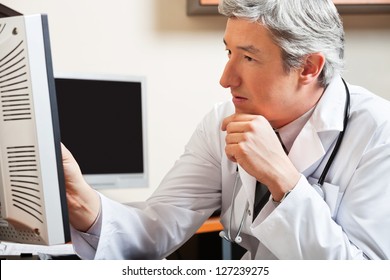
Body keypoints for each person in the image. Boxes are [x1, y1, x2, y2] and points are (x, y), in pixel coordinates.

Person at [63, 0, 390, 259]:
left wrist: (283, 180)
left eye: (248, 58)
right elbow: (155, 230)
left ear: (308, 67)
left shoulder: (378, 132)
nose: (226, 78)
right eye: (229, 52)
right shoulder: (221, 122)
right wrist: (79, 199)